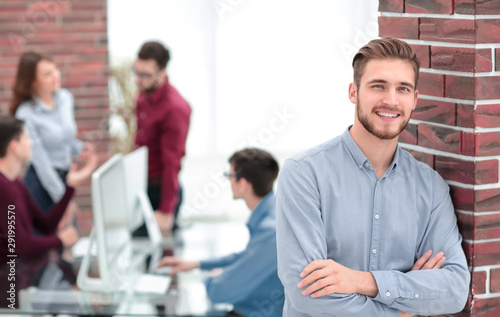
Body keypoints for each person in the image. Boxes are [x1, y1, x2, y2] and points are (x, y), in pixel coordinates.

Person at [275, 37, 470, 317]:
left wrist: (363, 281)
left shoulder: (430, 187)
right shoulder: (304, 173)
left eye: (402, 89)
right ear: (354, 92)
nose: (390, 100)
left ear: (414, 100)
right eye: (378, 86)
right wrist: (404, 308)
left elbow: (454, 291)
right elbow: (306, 293)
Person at [158, 148, 284, 317]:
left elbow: (218, 292)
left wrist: (212, 276)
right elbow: (247, 256)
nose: (228, 181)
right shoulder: (272, 213)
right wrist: (198, 264)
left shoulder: (270, 231)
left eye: (229, 176)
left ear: (244, 183)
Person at [0, 116, 97, 308]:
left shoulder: (16, 184)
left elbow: (46, 225)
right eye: (26, 138)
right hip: (9, 285)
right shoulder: (2, 188)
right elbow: (18, 245)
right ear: (14, 146)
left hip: (28, 275)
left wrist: (70, 187)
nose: (32, 142)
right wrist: (61, 240)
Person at [10, 52, 95, 228]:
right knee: (46, 246)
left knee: (69, 241)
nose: (56, 75)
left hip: (65, 178)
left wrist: (78, 148)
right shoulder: (26, 114)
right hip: (41, 183)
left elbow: (64, 137)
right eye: (48, 74)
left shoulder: (64, 97)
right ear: (33, 83)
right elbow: (41, 163)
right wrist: (64, 200)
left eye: (55, 69)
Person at [133, 41, 191, 235]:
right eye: (136, 72)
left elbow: (171, 163)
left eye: (145, 75)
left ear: (162, 73)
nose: (138, 80)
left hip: (162, 191)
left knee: (161, 257)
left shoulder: (175, 108)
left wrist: (166, 210)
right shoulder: (144, 95)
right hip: (143, 186)